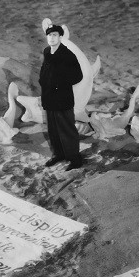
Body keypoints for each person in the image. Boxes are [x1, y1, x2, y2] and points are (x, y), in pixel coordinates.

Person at [39, 24, 84, 170]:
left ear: (60, 37)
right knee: (53, 130)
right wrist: (43, 83)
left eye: (55, 35)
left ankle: (75, 158)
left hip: (62, 99)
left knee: (66, 129)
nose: (51, 38)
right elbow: (44, 71)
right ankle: (59, 154)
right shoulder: (47, 51)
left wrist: (59, 84)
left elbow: (78, 76)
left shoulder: (67, 55)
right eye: (49, 35)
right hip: (49, 99)